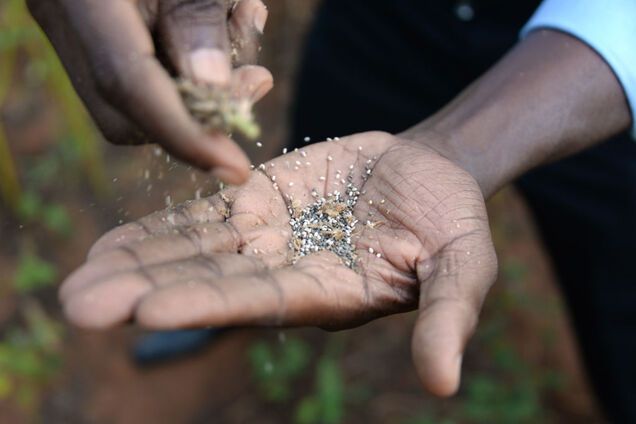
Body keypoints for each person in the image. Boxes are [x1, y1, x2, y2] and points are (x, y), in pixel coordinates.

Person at [28, 0, 635, 421]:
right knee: (315, 157)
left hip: (583, 72)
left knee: (617, 297)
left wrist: (454, 150)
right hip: (384, 22)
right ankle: (238, 281)